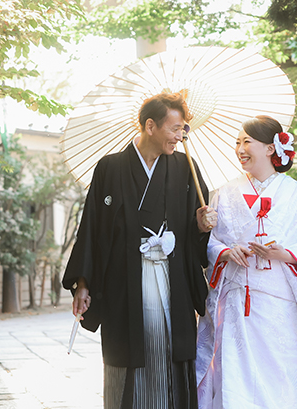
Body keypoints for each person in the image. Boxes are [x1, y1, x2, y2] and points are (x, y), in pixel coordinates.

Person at [63, 91, 218, 409]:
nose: (180, 136)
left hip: (172, 278)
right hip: (124, 281)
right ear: (151, 126)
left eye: (182, 130)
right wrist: (83, 282)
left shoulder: (185, 167)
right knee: (127, 356)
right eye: (175, 129)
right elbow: (92, 226)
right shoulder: (110, 168)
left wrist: (201, 227)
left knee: (171, 354)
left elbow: (194, 235)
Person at [195, 115, 297, 409]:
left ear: (271, 148)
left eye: (247, 142)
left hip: (280, 305)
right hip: (237, 305)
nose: (240, 148)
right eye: (237, 142)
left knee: (280, 380)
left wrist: (283, 253)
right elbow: (211, 243)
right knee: (234, 381)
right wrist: (225, 251)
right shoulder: (223, 193)